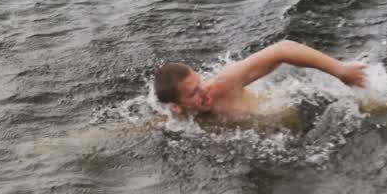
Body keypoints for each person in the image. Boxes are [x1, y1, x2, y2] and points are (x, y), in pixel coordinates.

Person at [153, 39, 368, 120]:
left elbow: (283, 49)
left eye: (199, 83)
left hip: (304, 112)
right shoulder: (179, 120)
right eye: (193, 93)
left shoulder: (224, 84)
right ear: (176, 107)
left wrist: (341, 71)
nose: (204, 91)